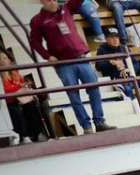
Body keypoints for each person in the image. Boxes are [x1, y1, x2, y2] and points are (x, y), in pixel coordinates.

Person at [29, 0, 114, 135]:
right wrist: (47, 56)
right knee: (74, 96)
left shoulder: (67, 8)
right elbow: (34, 41)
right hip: (63, 63)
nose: (51, 1)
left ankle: (99, 122)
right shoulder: (38, 20)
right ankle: (86, 127)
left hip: (80, 57)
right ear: (41, 1)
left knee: (94, 89)